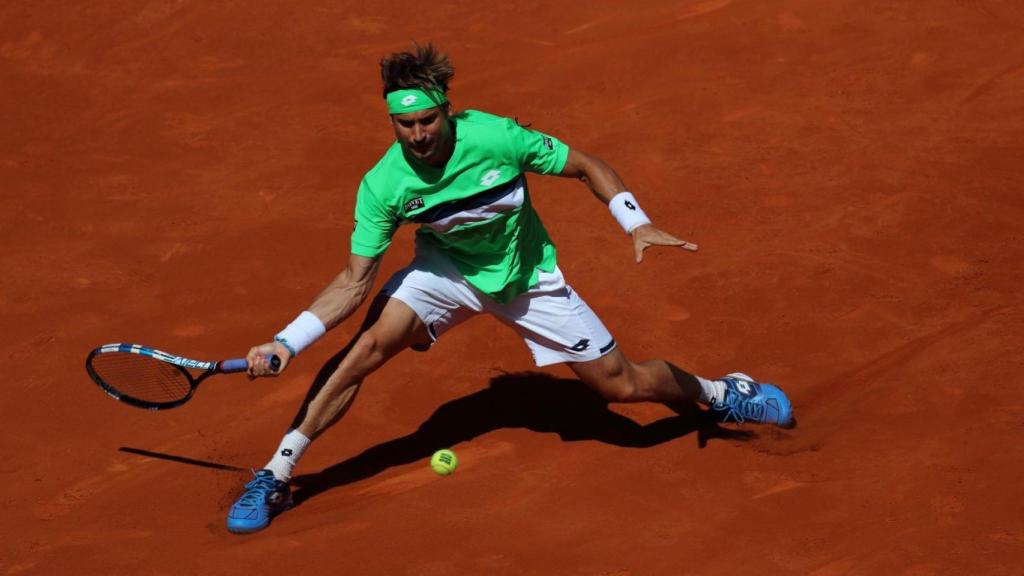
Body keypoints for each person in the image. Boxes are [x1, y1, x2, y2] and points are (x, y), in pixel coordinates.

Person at [225, 43, 793, 534]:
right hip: (445, 274)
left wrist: (635, 222)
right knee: (365, 350)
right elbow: (353, 283)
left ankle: (721, 394)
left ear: (447, 111)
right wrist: (286, 342)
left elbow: (588, 166)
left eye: (428, 120)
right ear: (392, 121)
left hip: (526, 277)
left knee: (622, 388)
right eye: (405, 125)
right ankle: (278, 472)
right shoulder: (384, 184)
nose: (418, 135)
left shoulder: (498, 137)